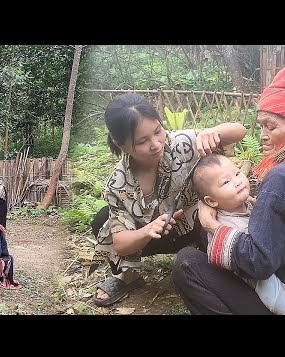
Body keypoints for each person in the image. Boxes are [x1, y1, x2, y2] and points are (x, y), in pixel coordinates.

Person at [172, 57, 285, 315]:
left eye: (270, 127)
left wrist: (212, 226)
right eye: (261, 125)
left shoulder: (282, 177)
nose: (262, 134)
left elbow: (259, 263)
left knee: (186, 262)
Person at [89, 92, 246, 307]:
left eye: (157, 131)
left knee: (211, 213)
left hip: (196, 225)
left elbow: (239, 131)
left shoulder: (181, 144)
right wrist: (147, 230)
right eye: (143, 141)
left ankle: (214, 262)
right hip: (154, 236)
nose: (156, 144)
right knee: (102, 221)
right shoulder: (118, 184)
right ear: (119, 144)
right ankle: (129, 275)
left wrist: (213, 131)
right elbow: (121, 244)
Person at [191, 153, 285, 315]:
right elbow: (247, 255)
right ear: (211, 201)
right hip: (249, 277)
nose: (237, 181)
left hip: (271, 265)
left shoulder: (248, 204)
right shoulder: (225, 223)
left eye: (237, 173)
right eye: (226, 182)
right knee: (266, 284)